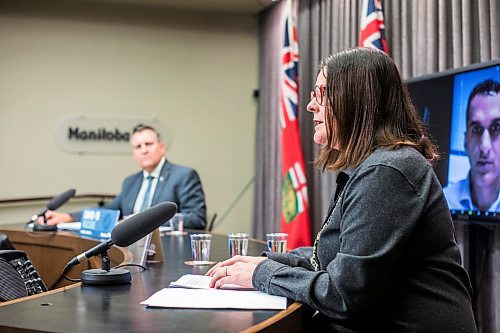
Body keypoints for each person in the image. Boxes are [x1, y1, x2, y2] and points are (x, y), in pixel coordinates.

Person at [207, 48, 476, 332]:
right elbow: (330, 258)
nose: (311, 105)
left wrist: (263, 274)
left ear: (357, 99)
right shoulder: (375, 165)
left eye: (321, 94)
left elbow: (343, 294)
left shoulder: (389, 170)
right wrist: (264, 262)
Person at [43, 124, 207, 229]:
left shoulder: (183, 175)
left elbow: (197, 218)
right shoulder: (131, 182)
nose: (144, 150)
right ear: (133, 154)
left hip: (168, 250)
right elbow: (108, 210)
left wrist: (146, 222)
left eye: (148, 144)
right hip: (132, 248)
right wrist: (68, 217)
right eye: (138, 146)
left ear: (161, 147)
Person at [443, 79, 500, 212]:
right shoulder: (443, 202)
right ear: (465, 142)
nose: (484, 147)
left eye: (496, 128)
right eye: (476, 130)